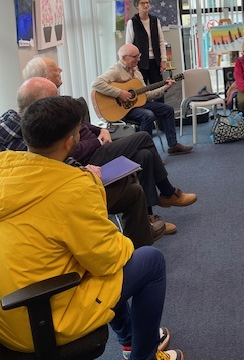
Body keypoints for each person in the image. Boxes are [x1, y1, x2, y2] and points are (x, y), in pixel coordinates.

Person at [0, 96, 184, 360]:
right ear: (69, 142)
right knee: (149, 260)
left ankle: (131, 341)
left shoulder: (7, 170)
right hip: (43, 320)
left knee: (90, 264)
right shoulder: (71, 188)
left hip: (7, 319)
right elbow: (109, 258)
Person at [23, 57, 197, 227]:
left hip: (98, 147)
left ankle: (148, 219)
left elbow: (83, 126)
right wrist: (98, 142)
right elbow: (70, 151)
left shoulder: (57, 102)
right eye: (55, 69)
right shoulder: (44, 115)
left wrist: (102, 130)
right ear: (45, 80)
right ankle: (168, 192)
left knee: (144, 155)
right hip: (90, 160)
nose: (60, 70)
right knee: (144, 137)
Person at [0, 77, 156, 248]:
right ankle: (144, 242)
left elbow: (50, 160)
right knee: (132, 181)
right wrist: (83, 171)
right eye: (56, 99)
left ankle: (147, 228)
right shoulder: (28, 141)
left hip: (34, 212)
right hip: (55, 206)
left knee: (139, 165)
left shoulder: (13, 140)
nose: (60, 73)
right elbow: (107, 258)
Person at [91, 44, 192, 156]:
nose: (139, 59)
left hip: (137, 105)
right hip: (122, 109)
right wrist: (119, 93)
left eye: (139, 56)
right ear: (124, 58)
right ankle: (146, 152)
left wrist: (164, 88)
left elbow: (146, 95)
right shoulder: (115, 70)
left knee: (167, 109)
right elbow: (96, 84)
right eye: (135, 57)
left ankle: (173, 146)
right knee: (147, 115)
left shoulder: (137, 73)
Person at [126, 0, 167, 87]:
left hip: (155, 61)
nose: (146, 5)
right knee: (141, 92)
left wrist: (163, 60)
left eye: (147, 2)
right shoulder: (132, 22)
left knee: (159, 90)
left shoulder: (155, 21)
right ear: (137, 6)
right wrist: (132, 65)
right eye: (142, 3)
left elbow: (161, 41)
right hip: (139, 63)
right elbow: (129, 45)